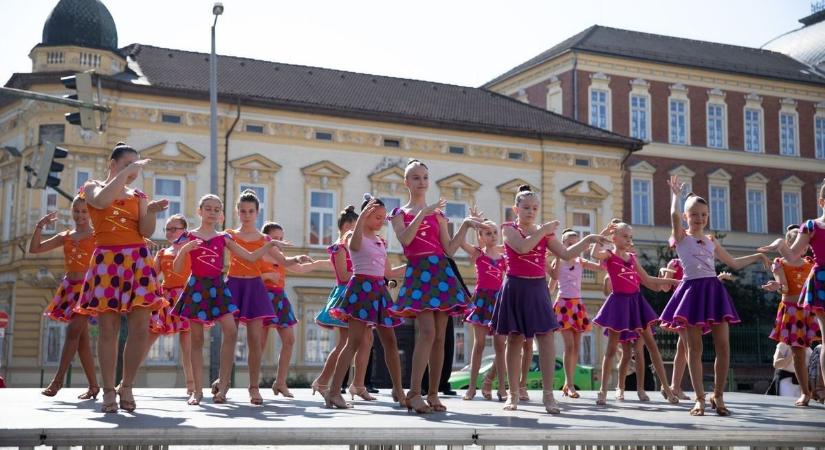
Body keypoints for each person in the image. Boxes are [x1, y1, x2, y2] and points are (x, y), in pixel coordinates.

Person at [491, 185, 608, 413]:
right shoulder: (508, 229)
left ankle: (548, 396)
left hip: (537, 287)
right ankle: (512, 394)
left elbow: (565, 254)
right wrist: (543, 230)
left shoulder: (544, 233)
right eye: (526, 207)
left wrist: (589, 240)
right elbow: (523, 248)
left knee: (545, 338)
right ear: (516, 209)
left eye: (534, 208)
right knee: (514, 339)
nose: (530, 211)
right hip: (515, 285)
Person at [663, 175, 770, 416]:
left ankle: (718, 395)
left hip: (713, 291)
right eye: (694, 214)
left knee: (723, 347)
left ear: (707, 216)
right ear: (685, 217)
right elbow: (672, 216)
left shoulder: (711, 240)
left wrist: (758, 257)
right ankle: (699, 397)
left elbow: (732, 262)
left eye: (703, 214)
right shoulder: (681, 237)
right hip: (691, 291)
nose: (699, 218)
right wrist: (676, 196)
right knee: (694, 349)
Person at [74, 142, 169, 413]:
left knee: (140, 327)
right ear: (112, 164)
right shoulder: (91, 186)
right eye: (129, 164)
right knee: (108, 329)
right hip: (107, 261)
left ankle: (126, 385)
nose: (134, 170)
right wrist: (123, 175)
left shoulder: (138, 194)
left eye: (137, 165)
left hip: (138, 259)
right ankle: (107, 390)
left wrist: (150, 211)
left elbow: (145, 230)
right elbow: (102, 201)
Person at [388, 160, 488, 413]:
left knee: (441, 337)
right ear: (406, 182)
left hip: (441, 271)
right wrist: (423, 212)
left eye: (424, 177)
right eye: (415, 178)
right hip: (419, 271)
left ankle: (433, 394)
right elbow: (406, 240)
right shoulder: (399, 213)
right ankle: (413, 393)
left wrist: (464, 224)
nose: (421, 182)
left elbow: (449, 249)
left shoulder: (439, 215)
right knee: (427, 332)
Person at [170, 194, 278, 405]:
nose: (212, 212)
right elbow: (176, 269)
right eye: (208, 208)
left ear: (221, 215)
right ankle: (197, 391)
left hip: (218, 287)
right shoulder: (188, 236)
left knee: (230, 330)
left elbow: (250, 257)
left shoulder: (223, 238)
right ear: (199, 211)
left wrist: (269, 244)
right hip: (197, 287)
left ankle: (224, 383)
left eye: (216, 209)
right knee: (197, 339)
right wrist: (184, 251)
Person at [324, 196, 407, 409]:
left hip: (379, 290)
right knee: (353, 342)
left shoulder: (380, 241)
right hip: (361, 289)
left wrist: (411, 267)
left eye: (383, 217)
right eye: (377, 217)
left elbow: (387, 271)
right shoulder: (354, 235)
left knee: (390, 341)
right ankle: (333, 392)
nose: (381, 221)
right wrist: (361, 217)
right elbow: (356, 244)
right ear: (366, 215)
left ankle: (398, 390)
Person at [591, 221, 681, 406]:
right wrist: (602, 233)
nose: (628, 240)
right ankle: (603, 391)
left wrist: (674, 282)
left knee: (652, 346)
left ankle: (667, 388)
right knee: (611, 349)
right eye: (624, 236)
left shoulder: (632, 258)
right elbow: (593, 253)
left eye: (630, 237)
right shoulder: (609, 255)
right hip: (619, 303)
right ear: (614, 238)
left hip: (636, 302)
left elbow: (647, 280)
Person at [31, 197, 98, 400]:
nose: (80, 215)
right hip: (70, 289)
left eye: (84, 212)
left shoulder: (97, 235)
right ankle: (94, 386)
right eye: (76, 211)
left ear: (91, 213)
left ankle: (57, 381)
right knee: (82, 340)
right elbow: (35, 249)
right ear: (72, 212)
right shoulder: (66, 236)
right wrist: (40, 225)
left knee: (72, 332)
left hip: (88, 289)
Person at [312, 206, 376, 401]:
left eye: (357, 228)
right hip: (345, 296)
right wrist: (365, 272)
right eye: (352, 227)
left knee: (367, 341)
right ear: (343, 227)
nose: (354, 232)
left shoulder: (356, 248)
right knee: (345, 343)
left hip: (360, 295)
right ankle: (323, 381)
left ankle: (358, 384)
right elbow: (343, 275)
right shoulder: (339, 248)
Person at [761, 225, 821, 406]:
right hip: (792, 310)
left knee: (818, 347)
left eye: (805, 245)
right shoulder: (780, 263)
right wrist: (776, 286)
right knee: (797, 353)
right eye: (800, 244)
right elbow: (785, 287)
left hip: (809, 309)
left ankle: (818, 388)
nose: (804, 248)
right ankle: (805, 392)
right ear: (789, 245)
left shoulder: (811, 263)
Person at [548, 228, 602, 399]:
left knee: (576, 347)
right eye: (569, 243)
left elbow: (601, 267)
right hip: (563, 304)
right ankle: (570, 384)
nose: (573, 246)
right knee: (569, 346)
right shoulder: (559, 262)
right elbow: (550, 287)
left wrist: (600, 241)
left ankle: (567, 383)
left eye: (575, 243)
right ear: (563, 244)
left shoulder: (580, 261)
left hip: (577, 305)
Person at [459, 212, 506, 401]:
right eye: (488, 233)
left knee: (501, 346)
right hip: (481, 299)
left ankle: (501, 387)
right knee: (478, 345)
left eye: (495, 232)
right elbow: (460, 242)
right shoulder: (478, 253)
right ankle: (471, 387)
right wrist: (469, 223)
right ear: (480, 237)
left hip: (499, 300)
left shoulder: (503, 256)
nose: (492, 236)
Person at [146, 214, 193, 395]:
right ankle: (126, 381)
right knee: (149, 337)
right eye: (167, 229)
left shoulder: (191, 249)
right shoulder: (163, 252)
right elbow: (151, 275)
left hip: (187, 297)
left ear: (184, 231)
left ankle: (191, 384)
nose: (170, 232)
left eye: (175, 229)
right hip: (167, 299)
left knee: (187, 344)